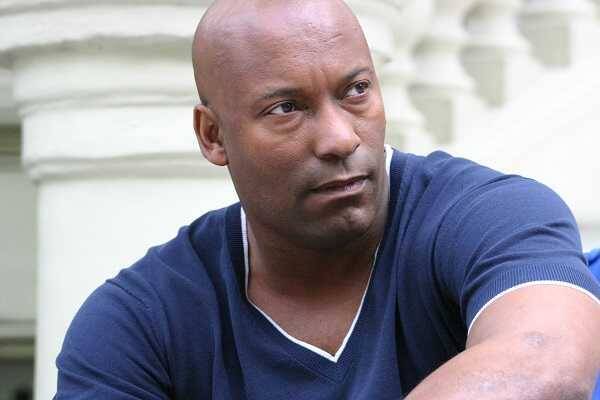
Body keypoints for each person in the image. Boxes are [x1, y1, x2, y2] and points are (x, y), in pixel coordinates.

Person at [55, 0, 600, 398]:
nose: (340, 138)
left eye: (356, 91)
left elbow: (545, 361)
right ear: (214, 136)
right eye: (286, 108)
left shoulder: (487, 214)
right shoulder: (143, 317)